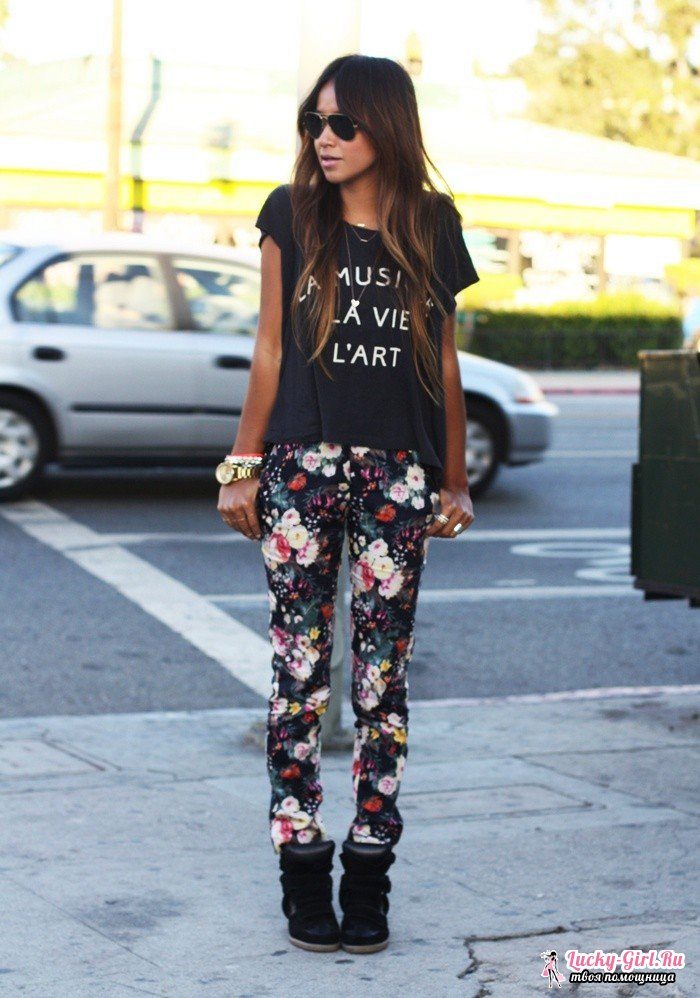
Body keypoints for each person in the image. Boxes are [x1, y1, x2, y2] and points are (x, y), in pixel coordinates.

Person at [216, 53, 480, 954]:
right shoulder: (291, 215)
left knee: (381, 683)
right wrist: (242, 464)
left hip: (397, 473)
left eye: (342, 123)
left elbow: (442, 361)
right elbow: (269, 348)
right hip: (300, 469)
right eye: (313, 122)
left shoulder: (433, 224)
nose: (323, 138)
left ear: (385, 126)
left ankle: (369, 869)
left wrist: (454, 478)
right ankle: (301, 864)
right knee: (298, 677)